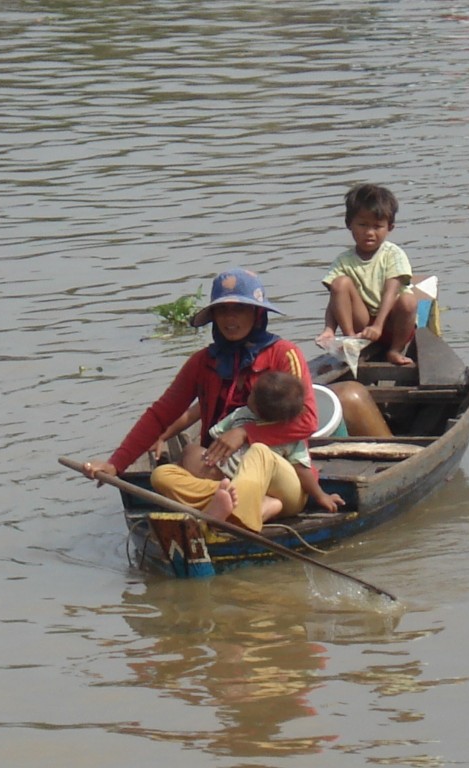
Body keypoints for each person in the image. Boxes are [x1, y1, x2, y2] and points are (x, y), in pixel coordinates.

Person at [82, 268, 318, 532]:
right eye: (222, 310)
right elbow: (161, 414)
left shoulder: (285, 355)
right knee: (163, 475)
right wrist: (115, 464)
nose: (230, 319)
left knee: (259, 453)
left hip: (281, 478)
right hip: (222, 475)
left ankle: (233, 513)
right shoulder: (203, 362)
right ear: (214, 317)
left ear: (257, 313)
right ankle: (236, 504)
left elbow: (307, 421)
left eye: (239, 309)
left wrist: (245, 433)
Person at [177, 371, 345, 519]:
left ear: (254, 404)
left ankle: (222, 500)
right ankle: (226, 499)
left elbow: (217, 436)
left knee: (190, 451)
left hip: (232, 476)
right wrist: (321, 496)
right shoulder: (290, 435)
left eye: (253, 391)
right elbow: (302, 469)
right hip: (244, 483)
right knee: (164, 474)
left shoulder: (241, 415)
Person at [315, 183, 418, 366]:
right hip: (362, 326)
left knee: (408, 301)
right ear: (349, 224)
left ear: (390, 227)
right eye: (362, 225)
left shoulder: (393, 254)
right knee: (339, 283)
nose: (369, 233)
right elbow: (335, 299)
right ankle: (351, 341)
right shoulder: (344, 260)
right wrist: (329, 329)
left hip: (392, 324)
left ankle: (394, 350)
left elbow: (391, 292)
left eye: (377, 226)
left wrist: (378, 325)